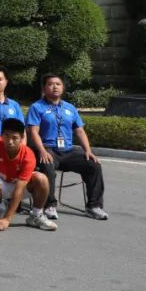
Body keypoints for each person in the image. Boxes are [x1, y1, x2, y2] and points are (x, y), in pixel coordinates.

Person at [26, 74, 108, 221]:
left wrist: (88, 151)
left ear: (63, 87)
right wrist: (42, 150)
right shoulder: (37, 107)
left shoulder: (70, 108)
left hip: (68, 151)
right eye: (50, 84)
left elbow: (80, 131)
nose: (55, 87)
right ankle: (49, 205)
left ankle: (93, 206)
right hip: (48, 149)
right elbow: (33, 132)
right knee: (47, 164)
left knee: (93, 164)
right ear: (44, 88)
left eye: (58, 84)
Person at [0, 118, 57, 231]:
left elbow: (19, 189)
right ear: (1, 135)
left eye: (15, 138)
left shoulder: (28, 156)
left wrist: (7, 219)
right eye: (6, 136)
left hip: (19, 185)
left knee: (41, 179)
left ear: (22, 138)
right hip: (0, 182)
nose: (10, 141)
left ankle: (36, 215)